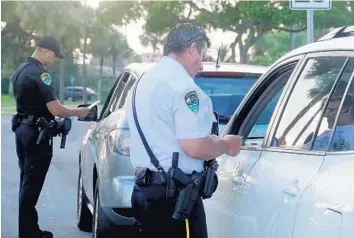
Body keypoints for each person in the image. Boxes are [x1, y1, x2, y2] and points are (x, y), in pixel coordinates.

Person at [125, 23, 242, 238]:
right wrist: (226, 144)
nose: (202, 65)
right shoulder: (184, 88)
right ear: (192, 48)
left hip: (144, 193)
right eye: (203, 55)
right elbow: (194, 146)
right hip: (174, 200)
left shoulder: (140, 84)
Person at [11, 36, 90, 238]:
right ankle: (29, 234)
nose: (54, 60)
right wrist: (78, 113)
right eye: (54, 56)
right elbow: (55, 108)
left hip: (22, 131)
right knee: (31, 185)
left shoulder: (20, 70)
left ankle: (29, 230)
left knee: (26, 182)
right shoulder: (41, 74)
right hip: (37, 135)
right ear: (45, 51)